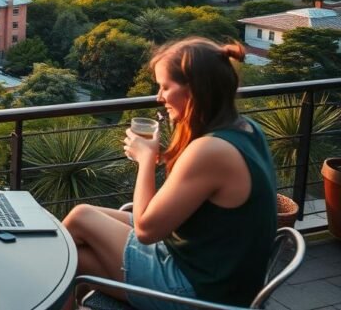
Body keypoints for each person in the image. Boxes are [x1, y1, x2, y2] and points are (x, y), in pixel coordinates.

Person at [62, 38, 276, 309]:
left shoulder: (211, 150)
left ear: (194, 90)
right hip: (211, 273)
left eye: (165, 87)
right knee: (75, 258)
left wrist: (146, 159)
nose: (159, 97)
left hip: (200, 293)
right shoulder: (246, 128)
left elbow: (146, 230)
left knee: (81, 218)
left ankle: (30, 278)